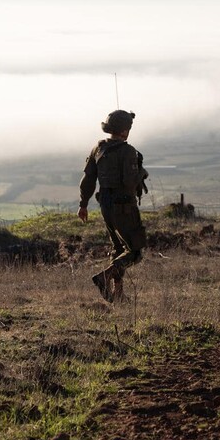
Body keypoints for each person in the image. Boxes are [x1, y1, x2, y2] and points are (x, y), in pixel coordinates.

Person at [78, 109, 148, 302]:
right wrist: (142, 173)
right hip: (124, 206)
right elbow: (130, 182)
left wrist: (83, 204)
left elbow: (88, 179)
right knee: (134, 251)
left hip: (105, 205)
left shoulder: (98, 149)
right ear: (125, 130)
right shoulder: (128, 151)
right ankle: (104, 277)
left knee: (118, 248)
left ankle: (118, 293)